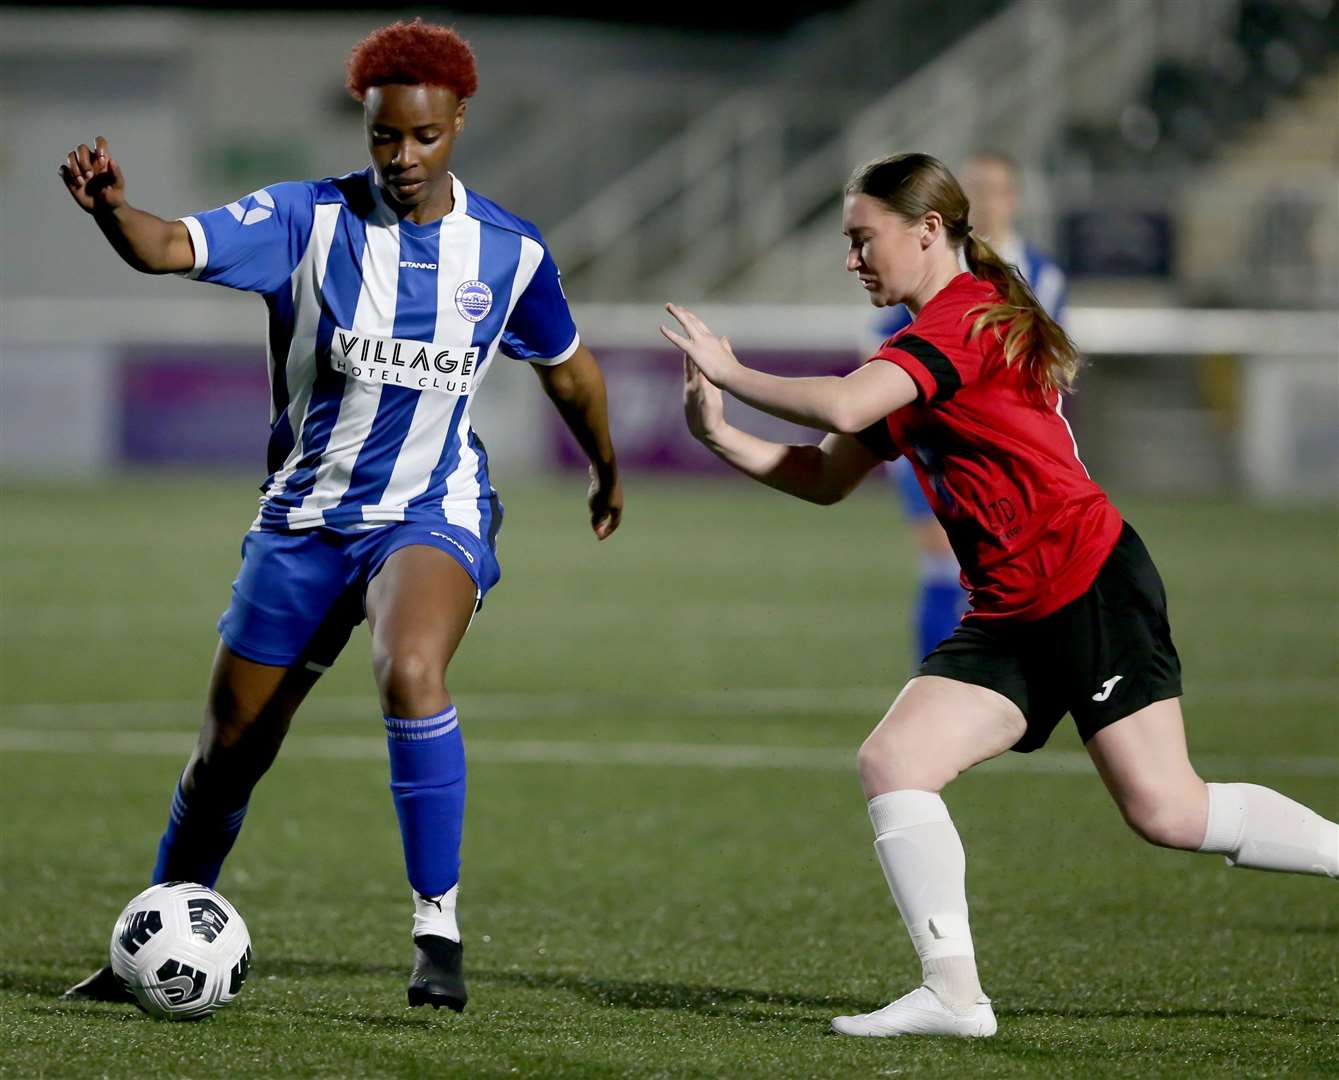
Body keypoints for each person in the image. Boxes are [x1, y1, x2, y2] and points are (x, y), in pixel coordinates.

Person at [661, 151, 1336, 1039]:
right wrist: (720, 438)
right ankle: (953, 995)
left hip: (1089, 584)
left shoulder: (964, 319)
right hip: (1011, 612)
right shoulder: (917, 346)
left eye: (864, 239)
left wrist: (730, 370)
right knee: (894, 762)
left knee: (1170, 812)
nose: (852, 258)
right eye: (847, 243)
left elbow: (840, 407)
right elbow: (828, 478)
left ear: (927, 230)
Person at [59, 18, 622, 1012]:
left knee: (409, 668)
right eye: (382, 139)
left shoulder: (508, 253)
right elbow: (167, 245)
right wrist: (113, 211)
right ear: (365, 129)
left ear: (457, 123)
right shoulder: (302, 220)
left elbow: (569, 370)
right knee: (229, 747)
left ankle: (436, 931)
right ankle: (152, 934)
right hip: (306, 521)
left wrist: (604, 465)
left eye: (423, 138)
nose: (402, 159)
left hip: (432, 509)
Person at [870, 150, 1068, 664]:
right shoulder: (925, 263)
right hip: (931, 437)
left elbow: (1043, 360)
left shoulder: (1040, 275)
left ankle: (994, 685)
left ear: (1013, 198)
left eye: (994, 187)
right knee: (940, 562)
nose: (983, 198)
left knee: (1010, 574)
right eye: (972, 186)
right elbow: (885, 349)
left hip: (1000, 448)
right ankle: (934, 681)